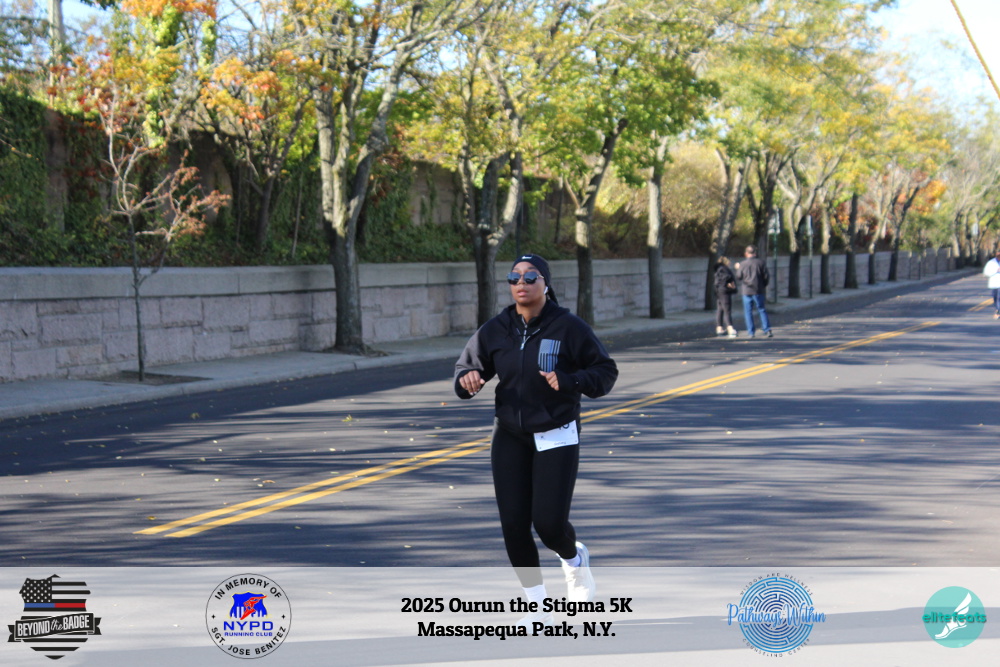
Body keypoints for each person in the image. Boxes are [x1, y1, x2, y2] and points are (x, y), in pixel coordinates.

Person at [454, 253, 618, 626]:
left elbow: (605, 371)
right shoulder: (496, 329)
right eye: (514, 278)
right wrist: (467, 381)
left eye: (530, 277)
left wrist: (572, 381)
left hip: (557, 432)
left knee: (548, 525)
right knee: (513, 524)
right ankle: (536, 604)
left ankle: (574, 560)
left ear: (545, 283)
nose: (521, 284)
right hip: (510, 434)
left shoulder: (569, 327)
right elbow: (467, 369)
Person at [734, 245, 772, 338]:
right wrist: (763, 286)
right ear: (755, 253)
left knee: (748, 312)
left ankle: (751, 332)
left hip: (747, 290)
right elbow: (766, 277)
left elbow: (738, 277)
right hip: (758, 290)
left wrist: (738, 268)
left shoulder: (743, 264)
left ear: (746, 253)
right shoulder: (761, 263)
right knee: (762, 309)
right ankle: (767, 329)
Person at [713, 256, 738, 338]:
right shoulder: (725, 270)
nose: (730, 263)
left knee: (720, 309)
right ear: (726, 262)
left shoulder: (718, 269)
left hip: (718, 291)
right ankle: (730, 328)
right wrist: (731, 286)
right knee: (727, 310)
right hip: (725, 291)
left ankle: (719, 327)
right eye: (729, 261)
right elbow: (729, 279)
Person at [983, 250, 1000, 319]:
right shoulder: (991, 263)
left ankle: (998, 311)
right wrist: (996, 270)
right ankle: (997, 309)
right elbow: (986, 273)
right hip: (994, 284)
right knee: (995, 298)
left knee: (999, 298)